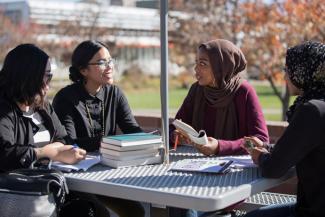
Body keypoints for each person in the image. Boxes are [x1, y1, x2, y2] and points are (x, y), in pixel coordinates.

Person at [168, 39, 269, 217]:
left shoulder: (244, 92)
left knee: (185, 205)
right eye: (196, 63)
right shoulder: (197, 90)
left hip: (233, 178)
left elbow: (261, 140)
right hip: (194, 171)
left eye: (203, 64)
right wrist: (176, 135)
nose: (196, 70)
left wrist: (219, 147)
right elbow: (175, 124)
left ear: (221, 66)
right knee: (177, 201)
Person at [52, 40, 145, 217]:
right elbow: (68, 143)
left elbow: (132, 129)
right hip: (76, 178)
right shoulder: (66, 98)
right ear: (83, 70)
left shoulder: (114, 93)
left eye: (110, 61)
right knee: (100, 213)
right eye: (102, 62)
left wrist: (153, 140)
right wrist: (109, 142)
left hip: (106, 172)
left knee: (135, 211)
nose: (109, 67)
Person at [242, 41, 325, 217]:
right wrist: (268, 149)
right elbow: (306, 150)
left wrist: (260, 156)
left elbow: (273, 169)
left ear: (303, 71)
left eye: (287, 70)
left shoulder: (312, 110)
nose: (285, 76)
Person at [0, 43, 86, 172]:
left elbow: (64, 138)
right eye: (45, 76)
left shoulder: (42, 106)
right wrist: (48, 153)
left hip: (49, 181)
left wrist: (56, 150)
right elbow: (5, 154)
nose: (48, 84)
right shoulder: (4, 110)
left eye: (50, 76)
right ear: (26, 77)